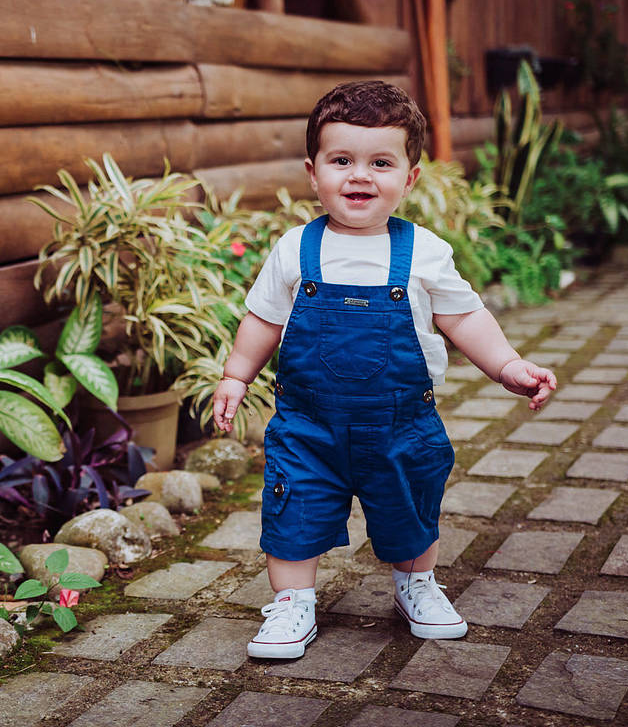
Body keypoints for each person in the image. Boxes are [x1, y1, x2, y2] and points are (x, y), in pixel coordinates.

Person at [212, 80, 557, 659]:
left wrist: (508, 366)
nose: (360, 176)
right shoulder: (295, 249)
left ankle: (417, 584)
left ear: (410, 176)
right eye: (341, 160)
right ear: (312, 171)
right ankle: (293, 603)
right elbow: (263, 320)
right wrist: (235, 375)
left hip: (401, 424)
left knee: (410, 512)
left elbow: (465, 317)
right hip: (308, 426)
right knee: (293, 509)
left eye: (380, 162)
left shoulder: (424, 252)